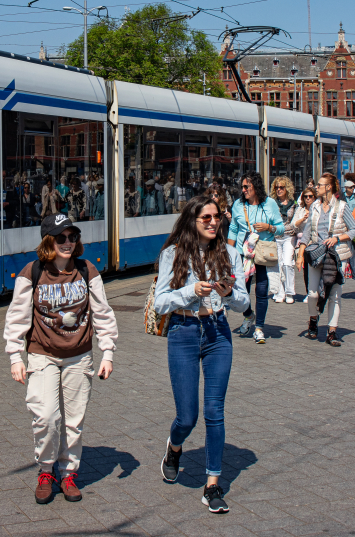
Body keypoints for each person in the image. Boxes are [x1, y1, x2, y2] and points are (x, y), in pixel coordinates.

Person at [3, 213, 118, 506]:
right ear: (48, 242)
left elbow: (102, 312)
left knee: (73, 421)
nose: (68, 243)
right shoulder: (33, 272)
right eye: (61, 238)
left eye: (72, 237)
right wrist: (15, 356)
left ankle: (68, 473)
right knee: (46, 417)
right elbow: (17, 316)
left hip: (79, 356)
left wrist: (107, 352)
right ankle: (46, 470)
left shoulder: (87, 269)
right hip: (42, 354)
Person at [155, 195, 249, 514]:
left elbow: (244, 303)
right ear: (192, 221)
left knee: (214, 411)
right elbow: (160, 303)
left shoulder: (230, 253)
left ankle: (212, 485)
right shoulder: (172, 254)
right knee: (187, 417)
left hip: (218, 333)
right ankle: (174, 448)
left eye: (217, 216)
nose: (213, 222)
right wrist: (189, 291)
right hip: (183, 332)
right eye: (205, 217)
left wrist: (229, 294)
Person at [298, 173, 355, 344]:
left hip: (337, 255)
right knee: (312, 293)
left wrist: (337, 238)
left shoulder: (342, 207)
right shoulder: (315, 206)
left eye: (319, 185)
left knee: (335, 294)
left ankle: (332, 331)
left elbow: (354, 230)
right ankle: (313, 319)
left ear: (329, 187)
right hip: (316, 254)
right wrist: (300, 254)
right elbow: (307, 232)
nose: (316, 187)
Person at [226, 172, 284, 344]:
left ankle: (259, 327)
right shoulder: (238, 205)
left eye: (247, 187)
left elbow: (281, 228)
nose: (243, 190)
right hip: (243, 253)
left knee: (261, 289)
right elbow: (233, 229)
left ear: (256, 186)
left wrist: (269, 227)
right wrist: (229, 253)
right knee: (241, 289)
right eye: (242, 187)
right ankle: (248, 315)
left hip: (262, 252)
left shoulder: (269, 204)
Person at [270, 176, 299, 304]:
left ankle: (289, 292)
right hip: (276, 237)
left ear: (287, 188)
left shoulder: (294, 203)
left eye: (281, 187)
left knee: (287, 263)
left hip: (289, 236)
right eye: (277, 187)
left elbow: (295, 220)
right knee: (278, 264)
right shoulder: (272, 203)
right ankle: (279, 292)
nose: (279, 190)